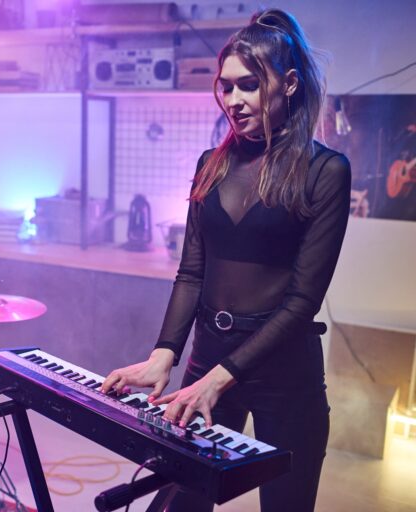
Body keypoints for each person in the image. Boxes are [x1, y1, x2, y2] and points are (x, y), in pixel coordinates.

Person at [102, 9, 351, 512]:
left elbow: (303, 300)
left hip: (285, 374)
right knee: (175, 504)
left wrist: (221, 376)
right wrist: (164, 353)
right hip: (208, 355)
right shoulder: (210, 165)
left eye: (249, 86)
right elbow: (192, 271)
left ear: (290, 84)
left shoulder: (326, 172)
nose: (233, 101)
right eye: (226, 87)